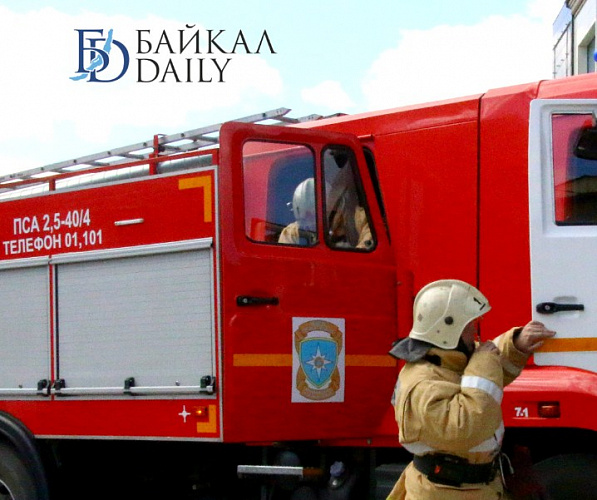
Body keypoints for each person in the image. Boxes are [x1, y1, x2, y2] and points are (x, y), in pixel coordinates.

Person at [387, 279, 555, 500]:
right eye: (468, 326)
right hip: (445, 493)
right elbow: (469, 425)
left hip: (472, 489)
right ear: (447, 331)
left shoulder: (447, 362)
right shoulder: (422, 383)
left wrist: (516, 345)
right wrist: (484, 361)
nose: (474, 332)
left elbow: (485, 372)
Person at [279, 177, 374, 249]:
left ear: (330, 207)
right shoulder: (291, 233)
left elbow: (370, 248)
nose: (310, 225)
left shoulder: (359, 218)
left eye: (313, 216)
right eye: (305, 219)